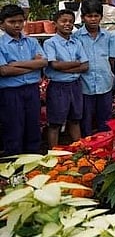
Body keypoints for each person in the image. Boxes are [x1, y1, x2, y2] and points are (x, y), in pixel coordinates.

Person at [0, 4, 47, 156]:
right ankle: (13, 164)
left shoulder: (31, 42)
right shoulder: (1, 44)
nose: (17, 25)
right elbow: (4, 71)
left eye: (20, 21)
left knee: (33, 127)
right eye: (12, 21)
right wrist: (33, 66)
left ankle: (33, 161)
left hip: (32, 90)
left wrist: (15, 64)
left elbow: (43, 62)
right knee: (13, 129)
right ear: (2, 24)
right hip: (10, 92)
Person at [42, 9, 89, 148]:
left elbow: (85, 66)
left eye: (70, 21)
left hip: (75, 85)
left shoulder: (76, 43)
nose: (67, 24)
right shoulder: (50, 43)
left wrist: (65, 67)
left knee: (75, 119)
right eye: (63, 21)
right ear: (55, 23)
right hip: (58, 86)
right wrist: (76, 63)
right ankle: (53, 153)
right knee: (55, 123)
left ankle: (79, 150)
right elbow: (55, 65)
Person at [74, 0, 114, 136]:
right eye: (89, 16)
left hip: (105, 84)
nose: (93, 19)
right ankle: (87, 146)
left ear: (101, 17)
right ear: (83, 17)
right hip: (85, 85)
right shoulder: (76, 37)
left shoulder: (108, 36)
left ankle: (105, 145)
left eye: (96, 16)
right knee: (86, 120)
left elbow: (111, 59)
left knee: (106, 120)